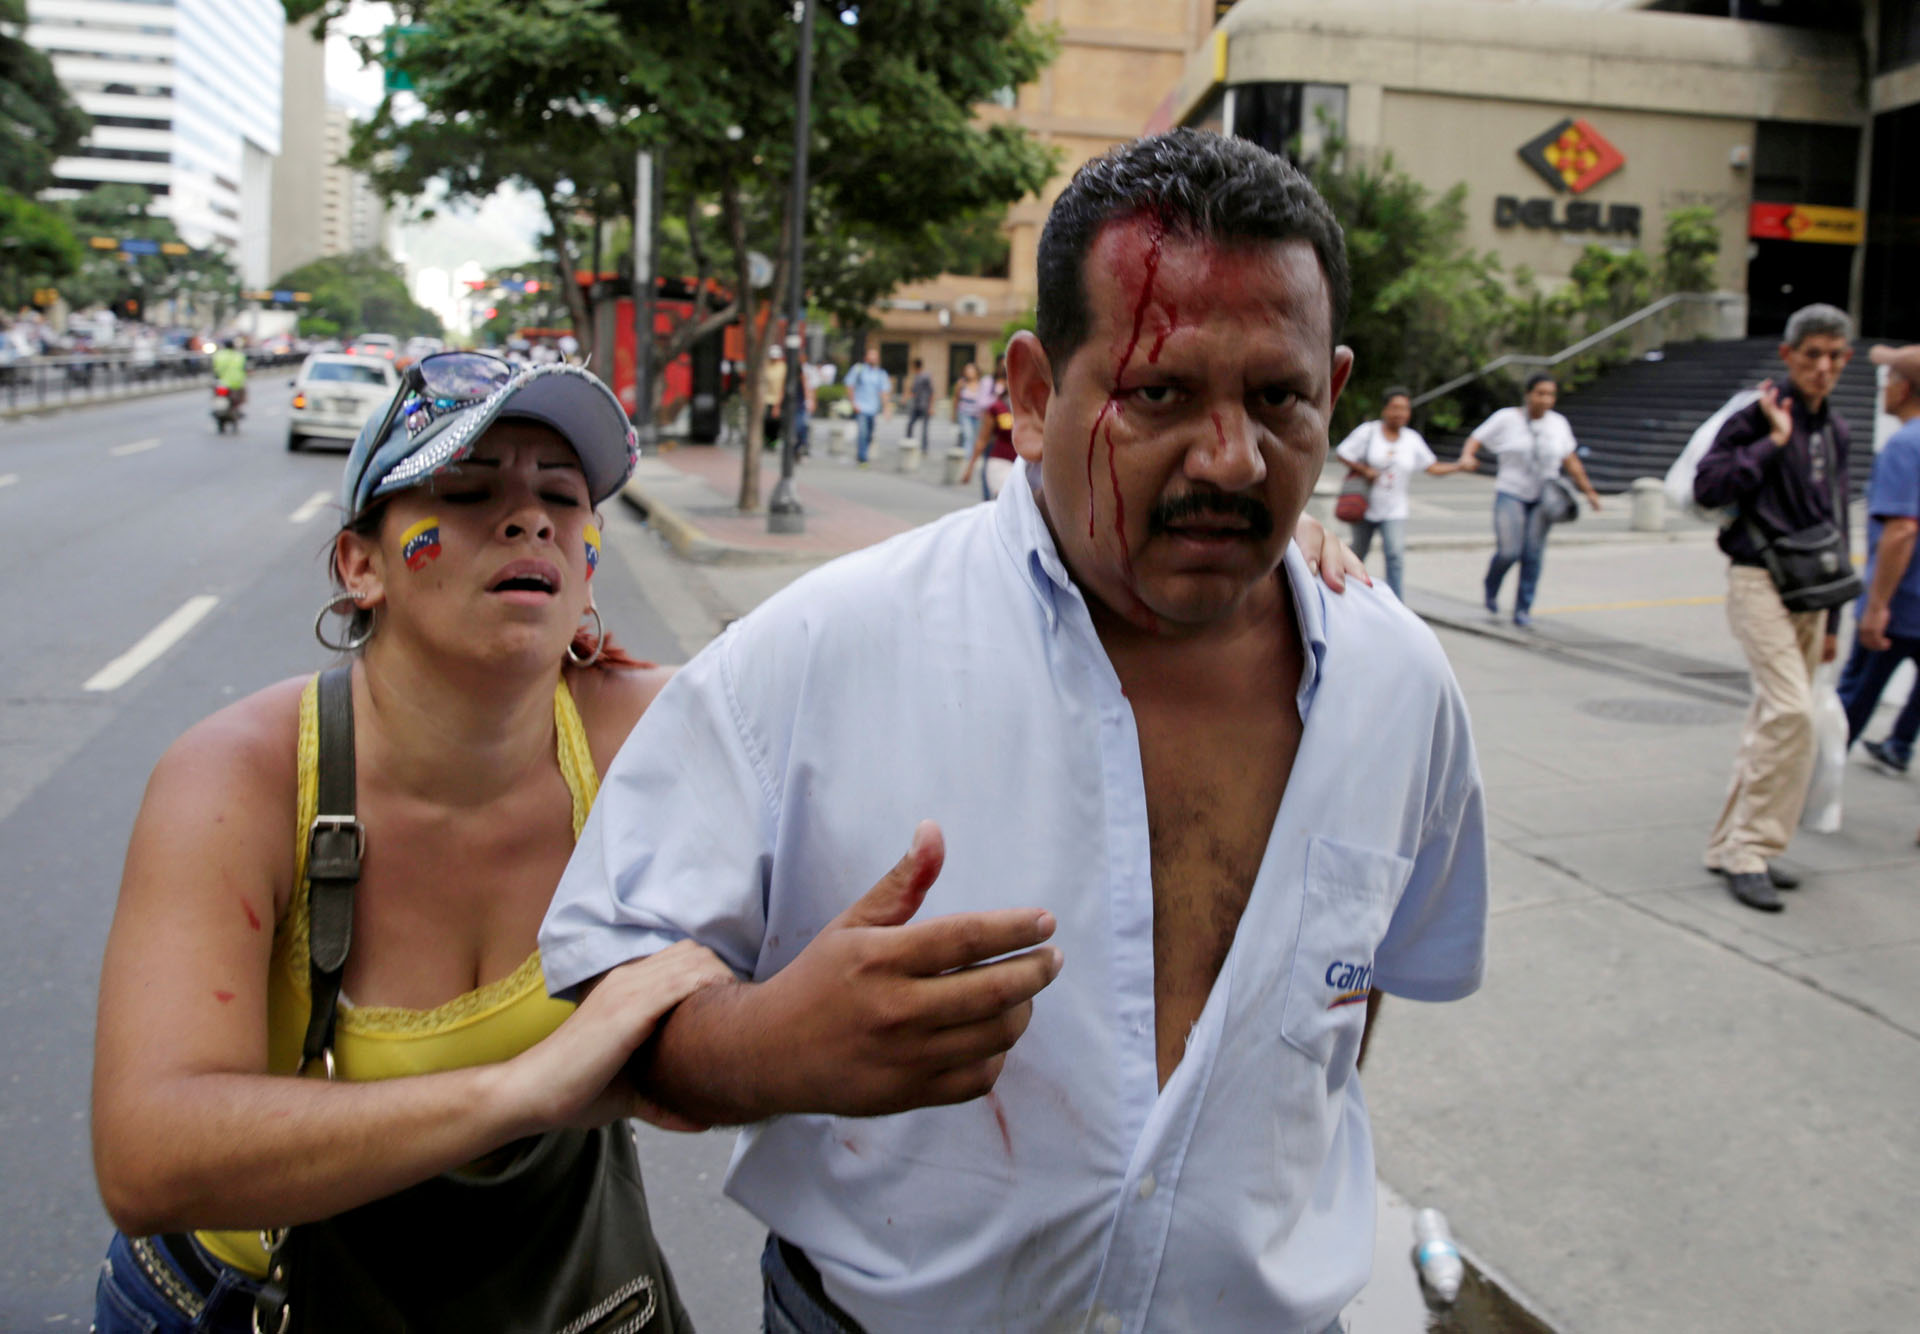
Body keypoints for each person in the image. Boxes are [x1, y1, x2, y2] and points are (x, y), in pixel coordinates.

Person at [541, 129, 1487, 1334]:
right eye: (1160, 392)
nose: (1233, 458)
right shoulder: (822, 649)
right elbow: (604, 990)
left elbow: (1358, 1003)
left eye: (1278, 397)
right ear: (1034, 395)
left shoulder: (1399, 687)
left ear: (1334, 392)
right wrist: (773, 1045)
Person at [89, 354, 731, 1332]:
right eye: (468, 491)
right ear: (361, 564)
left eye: (563, 496)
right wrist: (525, 1090)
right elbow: (148, 1154)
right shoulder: (237, 777)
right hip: (253, 1302)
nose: (532, 519)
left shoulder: (653, 732)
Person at [1693, 303, 1855, 912]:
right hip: (1759, 577)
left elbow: (1835, 518)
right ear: (1788, 355)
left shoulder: (1836, 430)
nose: (1823, 367)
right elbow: (1709, 487)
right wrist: (1771, 443)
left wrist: (1836, 618)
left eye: (1835, 356)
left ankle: (1729, 843)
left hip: (1812, 589)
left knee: (1773, 716)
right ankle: (1752, 850)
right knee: (1792, 713)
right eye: (1812, 354)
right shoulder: (1756, 417)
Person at [1454, 373, 1603, 627]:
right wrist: (1468, 456)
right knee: (1509, 551)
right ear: (1528, 394)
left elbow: (1570, 459)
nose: (1545, 399)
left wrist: (1588, 491)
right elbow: (1476, 438)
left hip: (1544, 497)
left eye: (1550, 394)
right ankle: (1492, 584)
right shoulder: (1506, 418)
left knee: (1533, 554)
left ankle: (1523, 608)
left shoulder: (1558, 424)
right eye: (1540, 393)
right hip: (1511, 491)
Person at [1836, 343, 1920, 775]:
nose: (1883, 388)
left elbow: (1901, 529)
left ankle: (1817, 777)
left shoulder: (1905, 447)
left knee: (1855, 694)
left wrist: (1878, 605)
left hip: (1904, 602)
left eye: (1888, 380)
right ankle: (1900, 744)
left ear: (1903, 388)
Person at [1332, 386, 1463, 599]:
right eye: (1395, 408)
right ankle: (1343, 593)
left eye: (1404, 408)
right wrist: (1364, 470)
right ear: (1384, 410)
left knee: (1394, 554)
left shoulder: (1412, 439)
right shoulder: (1369, 431)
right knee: (1358, 553)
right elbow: (1342, 452)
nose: (1399, 413)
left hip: (1394, 508)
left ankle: (1395, 602)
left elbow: (1431, 467)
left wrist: (1458, 466)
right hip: (1364, 505)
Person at [958, 362, 1015, 500]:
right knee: (1003, 500)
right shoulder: (997, 407)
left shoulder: (1034, 408)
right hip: (1001, 463)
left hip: (1025, 467)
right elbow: (982, 440)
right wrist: (970, 468)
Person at [844, 346, 891, 467]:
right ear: (866, 357)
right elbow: (849, 385)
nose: (873, 358)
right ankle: (862, 458)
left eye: (875, 356)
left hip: (873, 409)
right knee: (862, 432)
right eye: (871, 356)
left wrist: (886, 408)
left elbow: (884, 392)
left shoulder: (881, 373)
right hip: (861, 407)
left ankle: (862, 452)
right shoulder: (858, 369)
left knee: (869, 434)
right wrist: (853, 403)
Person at [951, 360, 985, 452]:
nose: (969, 372)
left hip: (978, 415)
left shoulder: (982, 384)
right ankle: (967, 458)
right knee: (968, 435)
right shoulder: (961, 383)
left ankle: (971, 456)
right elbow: (956, 398)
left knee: (975, 437)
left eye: (971, 370)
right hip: (964, 413)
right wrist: (954, 414)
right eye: (967, 370)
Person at [905, 358, 935, 456]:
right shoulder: (916, 377)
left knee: (924, 428)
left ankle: (924, 449)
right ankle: (908, 443)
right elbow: (913, 391)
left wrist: (931, 407)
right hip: (916, 405)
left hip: (925, 405)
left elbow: (931, 392)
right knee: (910, 424)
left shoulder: (926, 376)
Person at [211, 337, 248, 414]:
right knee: (241, 395)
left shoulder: (219, 355)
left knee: (214, 392)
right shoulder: (239, 355)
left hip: (222, 382)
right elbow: (244, 368)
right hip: (236, 383)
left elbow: (214, 368)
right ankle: (237, 409)